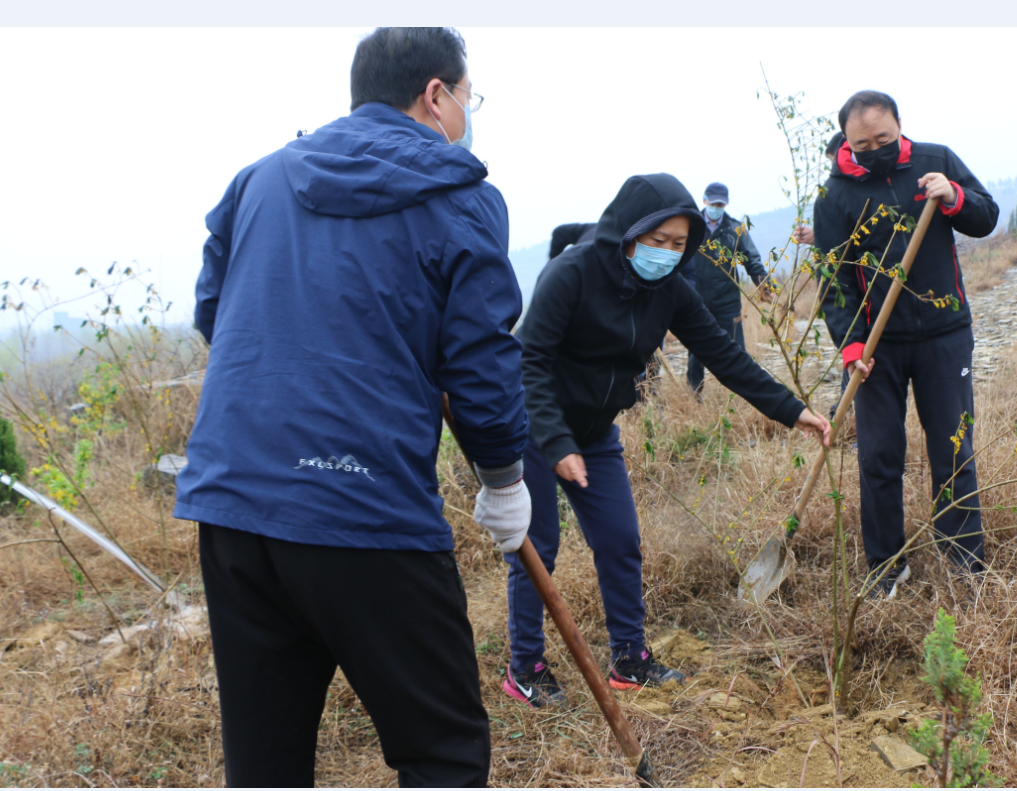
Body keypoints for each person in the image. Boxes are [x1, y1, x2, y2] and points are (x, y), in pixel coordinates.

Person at [175, 28, 532, 787]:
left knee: (265, 761)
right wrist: (503, 478)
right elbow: (479, 358)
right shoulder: (459, 196)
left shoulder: (260, 179)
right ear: (436, 94)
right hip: (362, 507)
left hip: (235, 501)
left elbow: (216, 310)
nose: (468, 113)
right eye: (469, 97)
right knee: (442, 750)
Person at [505, 173, 831, 707]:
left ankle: (629, 661)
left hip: (595, 432)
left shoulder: (672, 290)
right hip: (535, 426)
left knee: (620, 541)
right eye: (658, 242)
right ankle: (526, 668)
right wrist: (556, 442)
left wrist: (792, 411)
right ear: (629, 233)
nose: (668, 253)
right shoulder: (572, 274)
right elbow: (531, 361)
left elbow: (727, 359)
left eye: (680, 245)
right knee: (538, 547)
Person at [814, 90, 999, 598]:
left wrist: (954, 196)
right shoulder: (834, 198)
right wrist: (852, 348)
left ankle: (965, 563)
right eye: (861, 143)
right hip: (877, 348)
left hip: (944, 334)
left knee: (953, 447)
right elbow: (835, 282)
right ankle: (885, 567)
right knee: (878, 456)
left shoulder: (935, 161)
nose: (874, 149)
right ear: (845, 142)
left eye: (884, 139)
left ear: (900, 126)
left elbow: (985, 217)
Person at [679, 182, 769, 393]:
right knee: (696, 352)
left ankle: (745, 395)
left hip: (727, 301)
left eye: (721, 204)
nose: (716, 207)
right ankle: (694, 397)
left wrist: (763, 284)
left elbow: (751, 259)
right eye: (713, 203)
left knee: (737, 351)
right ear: (704, 201)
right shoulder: (691, 227)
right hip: (696, 299)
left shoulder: (735, 229)